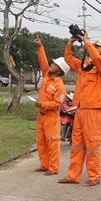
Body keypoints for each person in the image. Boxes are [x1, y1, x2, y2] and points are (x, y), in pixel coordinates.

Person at [58, 33, 101, 187]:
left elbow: (96, 58)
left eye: (97, 47)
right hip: (80, 110)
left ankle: (94, 177)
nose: (93, 48)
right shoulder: (85, 66)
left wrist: (87, 42)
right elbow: (69, 60)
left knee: (92, 145)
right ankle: (73, 176)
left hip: (93, 111)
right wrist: (70, 43)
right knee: (77, 145)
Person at [33, 37, 69, 176]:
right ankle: (44, 165)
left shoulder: (60, 87)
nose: (51, 64)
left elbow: (56, 104)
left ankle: (53, 168)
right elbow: (43, 62)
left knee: (53, 143)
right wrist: (39, 47)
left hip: (51, 118)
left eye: (54, 64)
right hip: (41, 117)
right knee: (41, 142)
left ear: (59, 70)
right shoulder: (47, 75)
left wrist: (42, 104)